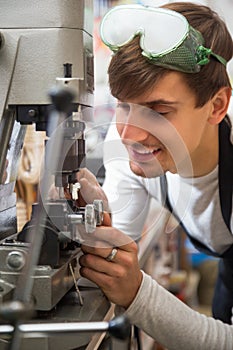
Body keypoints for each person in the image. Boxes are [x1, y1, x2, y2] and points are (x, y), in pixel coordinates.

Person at [75, 1, 233, 345]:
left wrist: (138, 293)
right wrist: (100, 224)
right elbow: (115, 250)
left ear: (217, 106)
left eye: (159, 111)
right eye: (124, 105)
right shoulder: (134, 146)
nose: (129, 133)